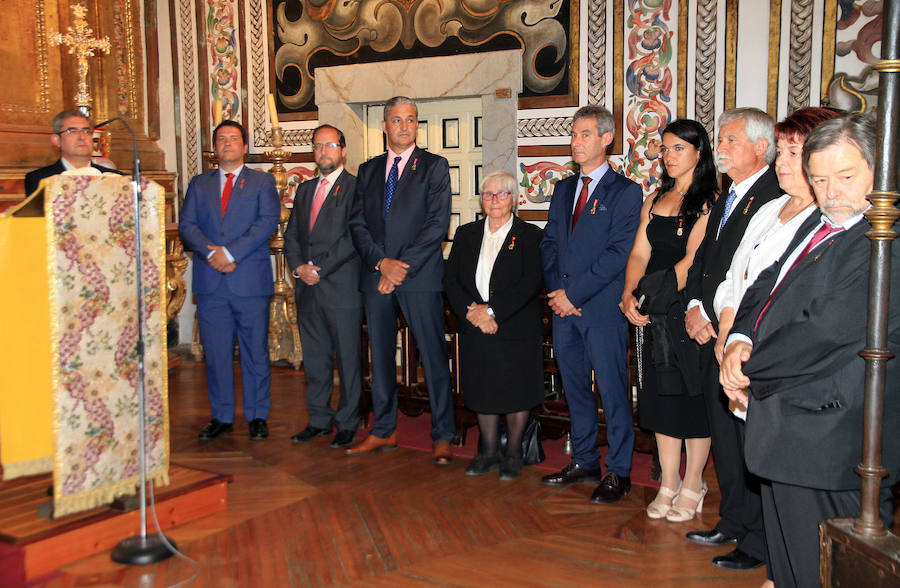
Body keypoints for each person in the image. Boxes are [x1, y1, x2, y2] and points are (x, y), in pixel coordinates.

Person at [720, 113, 899, 588]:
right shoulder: (819, 223)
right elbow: (765, 280)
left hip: (829, 437)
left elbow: (822, 330)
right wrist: (739, 339)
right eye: (819, 180)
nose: (832, 192)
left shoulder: (882, 241)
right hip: (788, 428)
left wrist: (748, 368)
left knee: (822, 568)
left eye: (846, 177)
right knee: (790, 565)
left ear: (880, 169)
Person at [683, 107, 780, 571]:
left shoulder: (774, 195)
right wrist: (696, 307)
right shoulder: (726, 197)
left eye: (729, 140)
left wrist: (726, 323)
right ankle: (733, 519)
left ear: (761, 147)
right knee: (724, 433)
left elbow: (759, 274)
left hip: (742, 334)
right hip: (711, 328)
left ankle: (759, 540)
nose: (719, 148)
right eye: (720, 139)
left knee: (748, 437)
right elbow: (707, 260)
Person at [539, 105, 642, 504]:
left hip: (600, 310)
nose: (575, 142)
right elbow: (549, 244)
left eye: (584, 134)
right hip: (564, 312)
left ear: (606, 138)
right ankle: (584, 460)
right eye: (573, 134)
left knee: (613, 393)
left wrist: (575, 295)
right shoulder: (564, 189)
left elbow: (618, 254)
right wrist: (557, 295)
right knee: (576, 389)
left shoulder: (626, 192)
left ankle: (619, 471)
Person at [347, 96, 455, 464]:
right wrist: (381, 263)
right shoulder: (368, 169)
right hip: (376, 276)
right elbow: (358, 224)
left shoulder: (434, 167)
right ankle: (384, 430)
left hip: (419, 277)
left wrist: (399, 267)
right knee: (380, 355)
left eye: (411, 119)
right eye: (397, 119)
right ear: (384, 125)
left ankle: (442, 434)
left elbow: (437, 226)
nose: (405, 126)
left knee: (433, 356)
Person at [620, 119, 716, 521]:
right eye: (665, 148)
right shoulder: (655, 198)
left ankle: (694, 481)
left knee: (692, 399)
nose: (668, 156)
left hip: (685, 309)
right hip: (650, 310)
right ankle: (669, 482)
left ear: (698, 152)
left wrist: (650, 297)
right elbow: (639, 253)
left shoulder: (710, 199)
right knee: (659, 399)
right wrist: (628, 295)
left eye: (678, 148)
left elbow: (692, 261)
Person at [713, 107, 840, 391]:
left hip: (785, 366)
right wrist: (728, 334)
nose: (781, 162)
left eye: (793, 153)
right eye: (780, 152)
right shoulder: (769, 210)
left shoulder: (826, 222)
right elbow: (734, 278)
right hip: (738, 349)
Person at [179, 120, 280, 441]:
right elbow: (187, 225)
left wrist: (231, 254)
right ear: (215, 147)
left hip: (249, 281)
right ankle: (221, 415)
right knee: (217, 353)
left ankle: (257, 415)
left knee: (255, 352)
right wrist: (213, 255)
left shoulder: (262, 182)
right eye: (221, 139)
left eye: (233, 139)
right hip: (211, 284)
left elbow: (267, 223)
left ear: (245, 147)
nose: (227, 144)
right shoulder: (199, 184)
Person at [443, 170, 544, 480]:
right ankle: (487, 452)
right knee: (482, 388)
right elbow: (451, 280)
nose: (494, 199)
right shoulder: (466, 233)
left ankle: (513, 453)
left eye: (501, 194)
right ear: (481, 199)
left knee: (516, 390)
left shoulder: (530, 236)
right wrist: (472, 312)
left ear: (513, 199)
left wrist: (494, 312)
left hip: (515, 328)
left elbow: (530, 283)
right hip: (475, 327)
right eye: (488, 194)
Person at [284, 124, 362, 449]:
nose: (323, 151)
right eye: (318, 146)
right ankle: (318, 419)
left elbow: (353, 237)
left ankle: (347, 422)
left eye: (330, 145)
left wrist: (320, 268)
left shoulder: (357, 188)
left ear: (343, 150)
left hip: (341, 287)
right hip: (308, 288)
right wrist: (299, 268)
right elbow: (291, 237)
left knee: (347, 359)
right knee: (315, 359)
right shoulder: (303, 190)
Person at [25, 109, 121, 195]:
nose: (82, 137)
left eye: (87, 131)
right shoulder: (40, 179)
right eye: (72, 131)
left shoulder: (115, 178)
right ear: (57, 140)